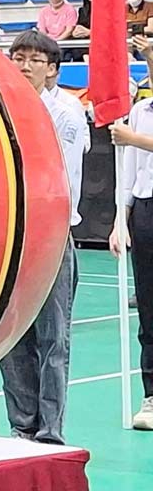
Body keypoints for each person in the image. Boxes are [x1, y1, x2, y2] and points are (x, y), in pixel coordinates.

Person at [0, 30, 86, 445]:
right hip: (13, 237)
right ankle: (22, 425)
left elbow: (59, 179)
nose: (24, 65)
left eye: (35, 59)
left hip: (51, 237)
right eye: (18, 57)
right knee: (10, 336)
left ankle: (50, 432)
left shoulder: (67, 113)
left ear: (52, 69)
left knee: (53, 338)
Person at [108, 32, 153, 430]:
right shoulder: (141, 108)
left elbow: (137, 145)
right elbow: (131, 170)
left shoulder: (135, 126)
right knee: (150, 308)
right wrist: (120, 219)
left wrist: (132, 138)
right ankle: (152, 395)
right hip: (146, 210)